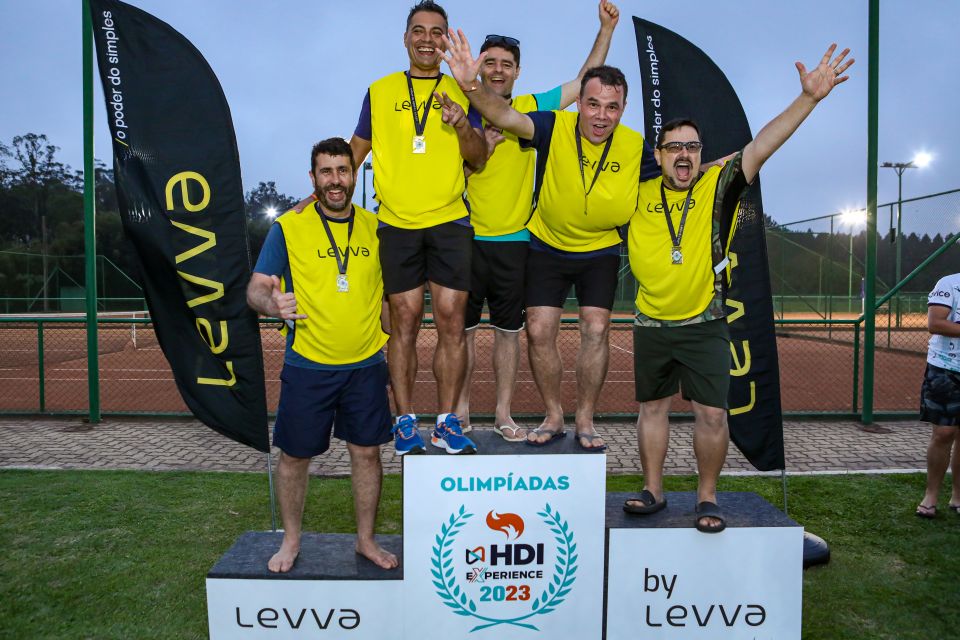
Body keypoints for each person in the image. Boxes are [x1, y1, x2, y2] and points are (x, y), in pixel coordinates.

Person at [622, 44, 854, 533]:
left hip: (705, 323)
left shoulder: (718, 185)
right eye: (674, 147)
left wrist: (809, 99)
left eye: (692, 147)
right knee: (652, 410)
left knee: (712, 414)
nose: (683, 154)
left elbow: (763, 143)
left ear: (700, 155)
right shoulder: (635, 193)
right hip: (651, 323)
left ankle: (707, 497)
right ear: (658, 155)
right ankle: (653, 490)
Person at [442, 32, 657, 452]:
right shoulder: (544, 122)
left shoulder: (632, 144)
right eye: (593, 104)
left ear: (623, 108)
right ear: (580, 105)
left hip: (588, 248)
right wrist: (468, 86)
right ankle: (551, 415)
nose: (601, 114)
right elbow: (503, 116)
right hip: (532, 243)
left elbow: (677, 174)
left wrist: (728, 164)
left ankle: (584, 420)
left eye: (612, 107)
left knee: (596, 327)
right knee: (535, 331)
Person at [247, 138, 398, 572]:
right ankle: (291, 540)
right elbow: (257, 288)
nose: (336, 180)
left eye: (343, 170)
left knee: (367, 454)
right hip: (307, 365)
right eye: (326, 172)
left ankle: (366, 541)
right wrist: (271, 304)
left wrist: (397, 342)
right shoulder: (288, 227)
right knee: (295, 456)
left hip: (366, 366)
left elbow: (387, 298)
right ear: (313, 178)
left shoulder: (376, 228)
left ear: (354, 174)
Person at [352, 0, 486, 456]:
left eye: (436, 32)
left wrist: (461, 124)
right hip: (397, 224)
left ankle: (447, 423)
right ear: (406, 37)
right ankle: (405, 421)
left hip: (449, 222)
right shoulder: (380, 90)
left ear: (445, 40)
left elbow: (478, 158)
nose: (427, 39)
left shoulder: (462, 89)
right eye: (419, 30)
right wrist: (318, 195)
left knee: (451, 322)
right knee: (403, 323)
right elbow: (355, 152)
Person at [916, 273, 960, 518]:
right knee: (944, 433)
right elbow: (935, 323)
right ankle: (931, 495)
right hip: (946, 368)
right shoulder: (949, 283)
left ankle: (958, 496)